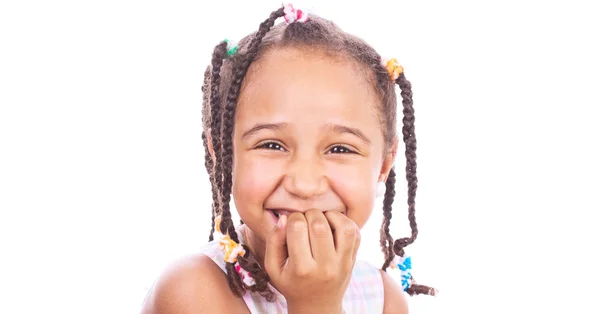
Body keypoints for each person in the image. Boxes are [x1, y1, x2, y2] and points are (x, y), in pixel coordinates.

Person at [141, 3, 436, 313]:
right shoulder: (192, 290)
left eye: (340, 149)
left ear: (384, 165)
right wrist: (314, 304)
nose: (304, 184)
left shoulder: (384, 297)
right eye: (272, 145)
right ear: (222, 155)